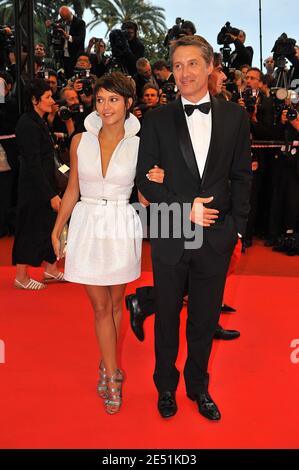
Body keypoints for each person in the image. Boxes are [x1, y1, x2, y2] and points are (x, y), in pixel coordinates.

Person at [136, 35, 252, 420]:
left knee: (203, 320)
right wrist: (185, 208)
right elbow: (145, 181)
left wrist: (236, 229)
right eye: (178, 65)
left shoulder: (235, 117)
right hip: (171, 230)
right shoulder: (154, 119)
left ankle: (198, 387)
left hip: (217, 236)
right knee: (167, 319)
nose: (184, 73)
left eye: (192, 64)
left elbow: (241, 177)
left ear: (209, 67)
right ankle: (165, 387)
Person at [51, 72, 164, 415]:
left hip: (119, 223)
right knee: (99, 306)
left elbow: (144, 196)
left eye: (113, 100)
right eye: (100, 100)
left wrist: (158, 179)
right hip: (86, 223)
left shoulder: (141, 144)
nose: (105, 107)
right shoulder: (79, 140)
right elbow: (72, 189)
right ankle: (113, 373)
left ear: (129, 103)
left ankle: (107, 362)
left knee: (116, 303)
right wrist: (58, 228)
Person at [12, 78, 63, 289]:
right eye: (47, 97)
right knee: (29, 229)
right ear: (34, 100)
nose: (52, 100)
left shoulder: (39, 121)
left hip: (44, 185)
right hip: (34, 189)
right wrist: (49, 194)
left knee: (48, 226)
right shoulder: (27, 124)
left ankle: (51, 269)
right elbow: (32, 163)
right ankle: (21, 277)